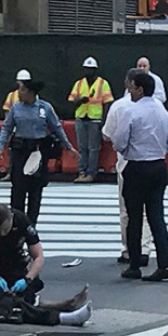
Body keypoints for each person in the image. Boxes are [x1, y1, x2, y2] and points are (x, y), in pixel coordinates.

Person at [111, 73, 168, 282]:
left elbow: (119, 141)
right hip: (158, 165)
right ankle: (165, 263)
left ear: (139, 89)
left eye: (131, 86)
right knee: (157, 216)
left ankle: (134, 264)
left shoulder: (131, 111)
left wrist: (129, 148)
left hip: (137, 166)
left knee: (134, 217)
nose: (129, 90)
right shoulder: (162, 111)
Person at [0, 80, 79, 225]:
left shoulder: (45, 108)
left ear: (31, 92)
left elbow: (56, 128)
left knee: (35, 191)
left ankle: (31, 224)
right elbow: (6, 128)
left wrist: (68, 147)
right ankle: (17, 223)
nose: (19, 92)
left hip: (37, 152)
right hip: (20, 152)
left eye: (22, 90)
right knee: (18, 190)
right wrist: (1, 146)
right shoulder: (16, 108)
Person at [0, 205, 92, 327]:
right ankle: (63, 316)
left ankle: (62, 309)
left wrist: (27, 279)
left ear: (11, 218)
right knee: (9, 303)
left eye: (5, 230)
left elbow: (38, 256)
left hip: (13, 266)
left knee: (17, 296)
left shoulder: (21, 221)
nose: (2, 234)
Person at [102, 68, 153, 267]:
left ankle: (129, 250)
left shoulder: (120, 107)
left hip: (127, 162)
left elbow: (108, 135)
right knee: (149, 211)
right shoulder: (157, 107)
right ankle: (146, 248)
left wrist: (121, 144)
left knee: (128, 210)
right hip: (153, 162)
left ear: (130, 84)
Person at [68, 56, 114, 183]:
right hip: (81, 118)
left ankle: (91, 173)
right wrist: (80, 100)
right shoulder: (79, 84)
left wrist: (104, 121)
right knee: (82, 147)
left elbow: (107, 103)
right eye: (87, 69)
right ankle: (82, 171)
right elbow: (72, 100)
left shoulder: (102, 83)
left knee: (93, 148)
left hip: (95, 119)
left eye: (91, 69)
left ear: (95, 70)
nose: (89, 71)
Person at [1, 69, 33, 182]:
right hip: (14, 128)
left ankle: (27, 173)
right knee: (12, 152)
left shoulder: (33, 95)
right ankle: (11, 173)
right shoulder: (12, 95)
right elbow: (7, 111)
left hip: (26, 129)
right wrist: (8, 126)